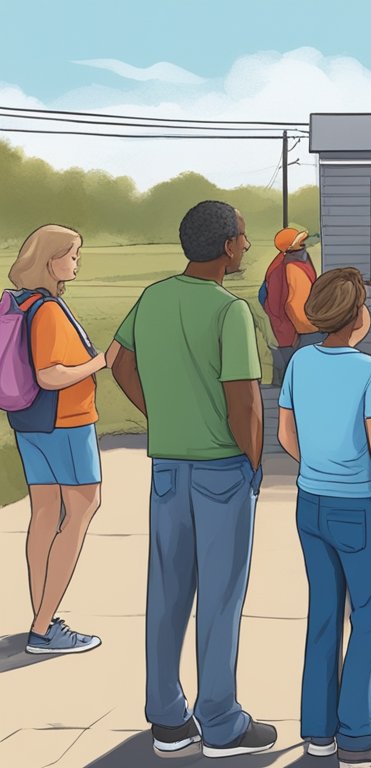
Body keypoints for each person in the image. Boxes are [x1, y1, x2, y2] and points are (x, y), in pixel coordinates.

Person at [108, 201, 276, 758]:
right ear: (227, 246)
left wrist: (162, 414)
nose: (248, 246)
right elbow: (245, 403)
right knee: (221, 598)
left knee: (168, 592)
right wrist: (254, 462)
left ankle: (166, 718)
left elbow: (118, 362)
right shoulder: (230, 311)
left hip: (168, 470)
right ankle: (221, 721)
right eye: (244, 238)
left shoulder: (153, 296)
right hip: (221, 469)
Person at [277, 268, 371, 767]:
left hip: (310, 503)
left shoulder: (299, 363)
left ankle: (318, 730)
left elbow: (287, 437)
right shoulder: (370, 371)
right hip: (361, 509)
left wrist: (318, 466)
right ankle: (358, 733)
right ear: (357, 316)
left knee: (324, 616)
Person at [8, 225, 105, 655]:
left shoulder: (21, 303)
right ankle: (45, 627)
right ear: (50, 260)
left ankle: (41, 617)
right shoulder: (47, 310)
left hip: (29, 422)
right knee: (83, 507)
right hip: (66, 423)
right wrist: (100, 361)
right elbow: (50, 375)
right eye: (72, 254)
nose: (76, 261)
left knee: (45, 515)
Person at [262, 227, 320, 384]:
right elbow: (294, 305)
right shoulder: (293, 267)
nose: (303, 244)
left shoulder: (283, 262)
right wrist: (315, 328)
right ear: (289, 248)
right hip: (295, 332)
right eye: (299, 242)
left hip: (283, 332)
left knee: (284, 378)